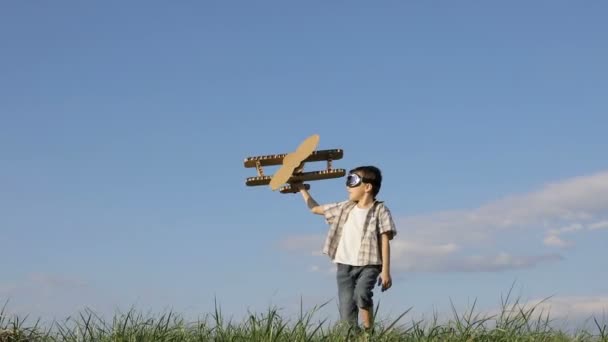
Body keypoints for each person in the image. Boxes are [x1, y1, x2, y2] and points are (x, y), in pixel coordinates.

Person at [293, 165, 397, 330]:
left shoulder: (380, 210)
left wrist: (385, 271)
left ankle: (368, 331)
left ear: (367, 187)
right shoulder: (345, 207)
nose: (348, 186)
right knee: (346, 309)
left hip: (368, 265)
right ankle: (351, 336)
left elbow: (385, 240)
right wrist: (300, 188)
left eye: (353, 180)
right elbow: (315, 209)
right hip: (344, 266)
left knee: (362, 294)